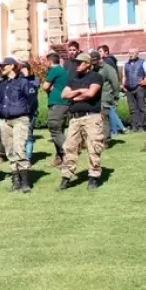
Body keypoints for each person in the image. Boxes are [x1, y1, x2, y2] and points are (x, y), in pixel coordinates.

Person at [57, 53, 106, 191]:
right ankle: (66, 178)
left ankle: (93, 177)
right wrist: (80, 91)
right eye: (76, 63)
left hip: (92, 117)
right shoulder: (73, 79)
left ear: (88, 64)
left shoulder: (96, 77)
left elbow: (91, 94)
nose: (76, 65)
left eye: (80, 63)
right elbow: (64, 95)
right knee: (70, 147)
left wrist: (74, 97)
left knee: (93, 147)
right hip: (75, 118)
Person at [0, 58, 36, 193]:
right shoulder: (4, 84)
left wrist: (27, 114)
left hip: (20, 119)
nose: (1, 68)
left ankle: (25, 181)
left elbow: (32, 101)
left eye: (4, 66)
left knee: (19, 148)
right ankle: (15, 180)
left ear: (11, 66)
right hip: (5, 120)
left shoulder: (23, 82)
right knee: (9, 150)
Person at [42, 53, 70, 167]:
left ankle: (69, 155)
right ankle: (59, 158)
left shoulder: (54, 70)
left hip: (57, 103)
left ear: (50, 62)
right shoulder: (63, 71)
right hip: (64, 103)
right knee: (59, 130)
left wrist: (50, 86)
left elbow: (45, 86)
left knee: (55, 130)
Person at [90, 51, 119, 146]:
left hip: (105, 97)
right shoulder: (92, 69)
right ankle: (97, 139)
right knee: (95, 120)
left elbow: (115, 83)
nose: (94, 64)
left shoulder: (108, 69)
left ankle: (106, 140)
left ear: (99, 59)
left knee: (104, 119)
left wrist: (116, 97)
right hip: (94, 97)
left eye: (95, 61)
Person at [123, 48, 146, 132]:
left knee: (141, 107)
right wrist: (123, 85)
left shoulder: (143, 62)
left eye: (132, 53)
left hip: (139, 87)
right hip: (129, 88)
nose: (130, 54)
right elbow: (124, 76)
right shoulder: (126, 64)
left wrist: (144, 82)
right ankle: (134, 126)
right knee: (132, 109)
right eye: (129, 53)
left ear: (137, 53)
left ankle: (141, 126)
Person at [20, 62, 40, 162]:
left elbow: (32, 90)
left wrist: (26, 76)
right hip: (19, 112)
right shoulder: (18, 80)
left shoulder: (34, 80)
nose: (22, 70)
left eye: (24, 68)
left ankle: (27, 158)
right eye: (21, 68)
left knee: (28, 136)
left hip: (31, 111)